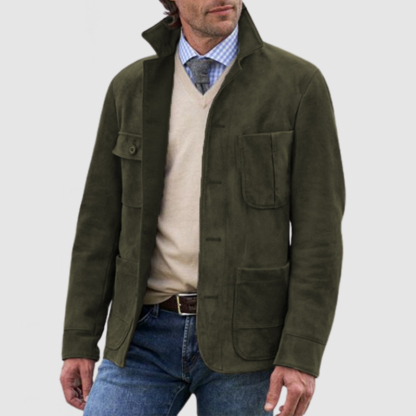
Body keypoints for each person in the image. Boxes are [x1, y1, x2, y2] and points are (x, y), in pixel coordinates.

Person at [59, 1, 346, 415]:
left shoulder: (297, 85)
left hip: (250, 342)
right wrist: (79, 340)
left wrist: (301, 353)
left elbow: (319, 236)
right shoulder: (132, 88)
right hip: (142, 336)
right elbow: (98, 226)